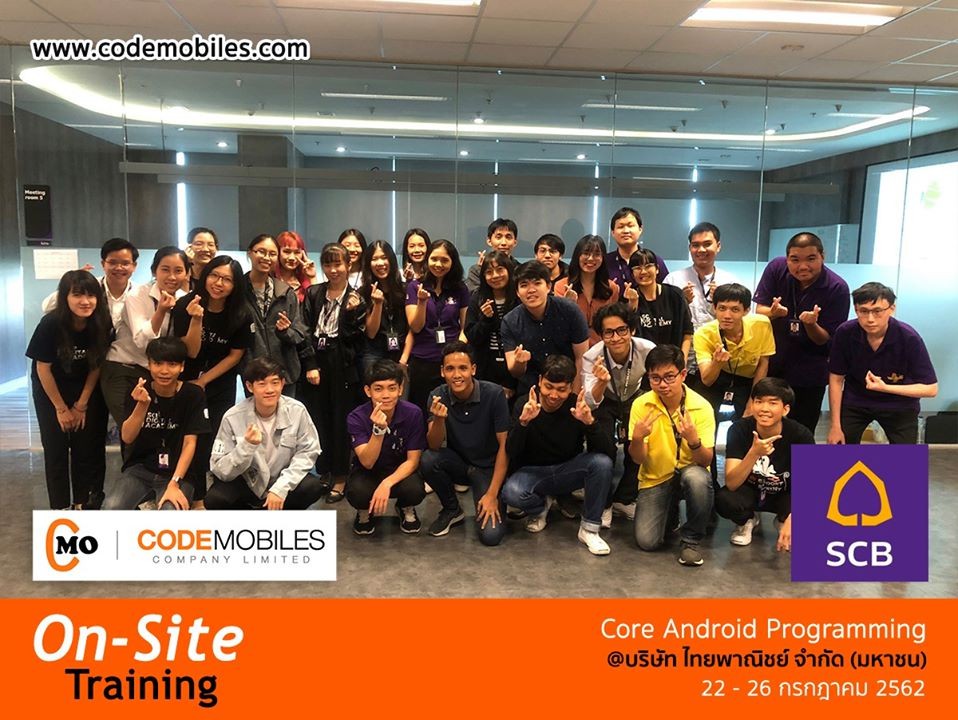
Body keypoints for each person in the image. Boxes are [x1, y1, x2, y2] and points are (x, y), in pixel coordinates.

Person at [501, 355, 616, 555]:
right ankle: (540, 507)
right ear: (539, 381)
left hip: (567, 470)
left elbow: (607, 454)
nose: (554, 395)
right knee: (512, 492)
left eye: (561, 389)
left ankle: (589, 529)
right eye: (548, 387)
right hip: (533, 472)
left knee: (602, 463)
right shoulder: (525, 404)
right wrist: (523, 423)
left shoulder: (576, 405)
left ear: (571, 387)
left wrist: (590, 423)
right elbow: (511, 451)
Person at [27, 270, 111, 510]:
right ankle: (60, 508)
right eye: (77, 295)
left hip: (84, 388)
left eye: (91, 295)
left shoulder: (101, 322)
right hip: (51, 390)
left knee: (85, 448)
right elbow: (43, 369)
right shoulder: (51, 324)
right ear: (65, 297)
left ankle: (81, 504)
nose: (85, 301)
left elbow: (96, 366)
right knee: (56, 449)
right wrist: (61, 409)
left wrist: (81, 405)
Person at [172, 256, 251, 506]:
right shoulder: (186, 304)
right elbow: (191, 351)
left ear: (235, 285)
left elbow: (235, 355)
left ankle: (211, 493)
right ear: (205, 276)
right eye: (214, 276)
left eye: (227, 279)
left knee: (214, 436)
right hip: (186, 381)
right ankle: (190, 493)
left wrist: (204, 381)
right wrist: (196, 320)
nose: (219, 283)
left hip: (219, 382)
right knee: (188, 437)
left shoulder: (241, 313)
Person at [754, 231, 850, 434]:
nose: (803, 266)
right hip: (773, 365)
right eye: (795, 260)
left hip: (810, 370)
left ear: (822, 256)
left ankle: (800, 457)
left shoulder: (837, 287)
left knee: (802, 431)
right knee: (766, 427)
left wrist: (811, 324)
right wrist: (772, 313)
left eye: (811, 259)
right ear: (787, 258)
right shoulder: (776, 268)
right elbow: (759, 310)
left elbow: (825, 339)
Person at [629, 345, 715, 566]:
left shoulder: (702, 407)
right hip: (656, 478)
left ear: (683, 374)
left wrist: (693, 441)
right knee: (647, 542)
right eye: (655, 378)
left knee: (698, 479)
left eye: (669, 377)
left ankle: (691, 541)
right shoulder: (641, 405)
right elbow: (638, 459)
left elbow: (706, 461)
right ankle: (671, 514)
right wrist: (637, 438)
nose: (662, 384)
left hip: (689, 472)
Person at [41, 238, 139, 429]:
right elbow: (47, 307)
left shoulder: (139, 293)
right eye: (112, 262)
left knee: (126, 421)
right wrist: (73, 283)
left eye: (125, 263)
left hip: (120, 364)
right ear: (103, 264)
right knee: (94, 423)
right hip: (90, 365)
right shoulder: (91, 288)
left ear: (134, 266)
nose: (119, 268)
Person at [103, 337, 209, 510]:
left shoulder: (193, 394)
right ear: (149, 364)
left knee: (170, 511)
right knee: (111, 507)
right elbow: (127, 437)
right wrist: (142, 405)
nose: (164, 371)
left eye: (172, 364)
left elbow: (190, 443)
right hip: (142, 468)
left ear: (182, 366)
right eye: (158, 364)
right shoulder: (138, 391)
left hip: (178, 473)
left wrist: (175, 483)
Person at [421, 341, 510, 546]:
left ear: (473, 369)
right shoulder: (437, 395)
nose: (457, 375)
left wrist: (492, 494)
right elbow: (434, 445)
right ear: (442, 371)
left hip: (488, 468)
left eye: (463, 368)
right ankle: (452, 509)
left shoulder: (494, 394)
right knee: (428, 460)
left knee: (491, 536)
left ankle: (490, 497)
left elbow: (504, 447)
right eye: (450, 369)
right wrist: (439, 420)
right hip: (460, 464)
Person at [207, 357, 325, 510]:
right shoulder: (232, 417)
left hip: (282, 480)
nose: (269, 390)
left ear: (282, 383)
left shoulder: (297, 410)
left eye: (275, 383)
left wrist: (281, 487)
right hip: (247, 483)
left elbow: (309, 451)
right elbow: (219, 468)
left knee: (312, 486)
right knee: (215, 499)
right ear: (249, 387)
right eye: (262, 384)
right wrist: (245, 447)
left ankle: (281, 513)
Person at [827, 282, 937, 445]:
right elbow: (836, 379)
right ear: (856, 310)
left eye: (877, 311)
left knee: (906, 456)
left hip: (899, 403)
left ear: (892, 309)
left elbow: (931, 389)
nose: (870, 319)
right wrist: (835, 426)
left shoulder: (909, 337)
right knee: (837, 445)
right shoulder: (845, 332)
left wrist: (885, 387)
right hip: (857, 400)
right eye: (863, 311)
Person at [300, 243, 367, 503]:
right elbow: (305, 330)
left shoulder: (357, 298)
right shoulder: (314, 293)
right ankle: (325, 470)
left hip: (342, 363)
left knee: (341, 420)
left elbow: (356, 340)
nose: (333, 269)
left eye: (338, 264)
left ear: (348, 265)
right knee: (318, 418)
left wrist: (350, 314)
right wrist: (310, 364)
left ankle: (341, 476)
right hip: (316, 360)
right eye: (327, 264)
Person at [717, 378, 814, 552]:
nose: (764, 409)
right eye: (759, 401)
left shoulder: (801, 435)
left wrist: (794, 518)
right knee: (724, 499)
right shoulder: (738, 430)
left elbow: (810, 486)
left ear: (785, 409)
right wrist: (754, 453)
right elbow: (731, 483)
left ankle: (783, 520)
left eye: (772, 403)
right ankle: (747, 521)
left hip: (783, 494)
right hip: (749, 492)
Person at [581, 303, 656, 523]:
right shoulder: (591, 357)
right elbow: (590, 402)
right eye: (608, 332)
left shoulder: (648, 350)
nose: (616, 338)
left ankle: (624, 499)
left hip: (634, 396)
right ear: (601, 334)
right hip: (605, 399)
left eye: (622, 330)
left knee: (639, 443)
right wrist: (600, 382)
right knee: (602, 446)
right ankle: (603, 503)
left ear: (632, 329)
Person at [111, 246, 190, 431]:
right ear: (154, 271)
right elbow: (142, 342)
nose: (172, 277)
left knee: (155, 428)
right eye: (165, 270)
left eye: (178, 271)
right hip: (124, 369)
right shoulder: (136, 296)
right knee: (131, 429)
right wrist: (161, 311)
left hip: (156, 371)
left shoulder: (185, 300)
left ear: (187, 274)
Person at [346, 360, 427, 535]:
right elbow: (367, 462)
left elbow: (413, 461)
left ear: (400, 389)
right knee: (357, 493)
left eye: (392, 388)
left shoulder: (413, 413)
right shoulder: (356, 417)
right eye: (378, 389)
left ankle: (405, 506)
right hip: (368, 472)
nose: (386, 395)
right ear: (368, 391)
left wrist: (387, 483)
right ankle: (364, 510)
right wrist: (378, 431)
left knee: (414, 490)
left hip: (400, 471)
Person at [663, 222, 743, 384]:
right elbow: (664, 319)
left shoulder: (730, 281)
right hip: (683, 360)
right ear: (689, 248)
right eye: (695, 245)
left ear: (718, 246)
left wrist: (722, 303)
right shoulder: (673, 280)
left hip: (719, 360)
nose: (701, 250)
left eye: (707, 244)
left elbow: (741, 320)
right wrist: (681, 303)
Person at [501, 260, 590, 398]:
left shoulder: (570, 310)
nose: (531, 290)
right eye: (524, 285)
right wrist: (519, 362)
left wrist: (574, 396)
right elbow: (515, 372)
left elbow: (581, 357)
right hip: (531, 391)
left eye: (537, 283)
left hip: (566, 387)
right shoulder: (510, 321)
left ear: (548, 286)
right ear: (517, 292)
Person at [402, 239, 470, 412]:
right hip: (422, 360)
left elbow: (466, 326)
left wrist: (456, 352)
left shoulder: (460, 288)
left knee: (451, 411)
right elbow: (415, 327)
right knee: (423, 410)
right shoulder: (415, 286)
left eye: (444, 260)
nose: (438, 264)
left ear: (453, 262)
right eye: (434, 259)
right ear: (427, 259)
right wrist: (422, 302)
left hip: (451, 361)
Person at [693, 283, 775, 422]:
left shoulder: (761, 324)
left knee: (748, 421)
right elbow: (707, 380)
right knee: (703, 417)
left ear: (746, 310)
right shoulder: (703, 334)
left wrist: (752, 403)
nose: (727, 315)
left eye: (735, 309)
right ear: (714, 308)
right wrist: (716, 363)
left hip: (747, 380)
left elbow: (763, 365)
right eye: (722, 308)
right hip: (718, 375)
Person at [241, 234, 308, 391]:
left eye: (272, 254)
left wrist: (285, 332)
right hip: (253, 374)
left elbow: (299, 334)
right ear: (250, 253)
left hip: (285, 373)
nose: (266, 257)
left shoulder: (286, 292)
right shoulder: (238, 290)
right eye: (261, 251)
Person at [464, 250, 518, 401]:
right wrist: (486, 320)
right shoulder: (478, 297)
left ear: (509, 270)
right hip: (484, 366)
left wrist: (510, 382)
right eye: (489, 272)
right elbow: (472, 336)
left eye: (500, 269)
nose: (495, 276)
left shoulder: (518, 298)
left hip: (512, 366)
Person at [553, 234, 621, 346]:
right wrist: (568, 305)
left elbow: (613, 321)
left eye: (597, 254)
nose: (590, 258)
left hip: (602, 347)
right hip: (572, 346)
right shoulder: (562, 286)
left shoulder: (611, 287)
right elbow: (559, 324)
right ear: (577, 256)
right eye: (586, 253)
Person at [628, 248, 693, 359]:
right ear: (632, 274)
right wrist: (632, 305)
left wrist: (683, 361)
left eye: (648, 266)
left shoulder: (675, 294)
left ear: (657, 269)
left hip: (674, 362)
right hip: (642, 363)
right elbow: (628, 334)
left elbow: (687, 331)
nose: (643, 271)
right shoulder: (628, 298)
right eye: (638, 268)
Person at [359, 240, 409, 374]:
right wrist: (378, 304)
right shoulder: (363, 292)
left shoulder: (404, 289)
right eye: (374, 259)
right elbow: (371, 333)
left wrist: (404, 359)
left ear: (391, 260)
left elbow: (412, 329)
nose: (380, 263)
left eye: (384, 257)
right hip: (374, 352)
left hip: (402, 351)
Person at [605, 207, 668, 296]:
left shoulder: (655, 261)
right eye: (620, 227)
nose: (626, 231)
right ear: (613, 232)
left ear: (640, 229)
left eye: (630, 226)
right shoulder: (605, 262)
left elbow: (667, 295)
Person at [465, 218, 518, 292]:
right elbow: (474, 295)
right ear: (489, 241)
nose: (503, 243)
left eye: (508, 237)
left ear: (515, 242)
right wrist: (482, 270)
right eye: (498, 237)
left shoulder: (520, 269)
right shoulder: (476, 270)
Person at [274, 229, 318, 303]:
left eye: (297, 252)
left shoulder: (304, 282)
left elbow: (317, 304)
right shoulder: (270, 281)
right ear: (277, 252)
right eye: (287, 252)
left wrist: (312, 277)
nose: (292, 258)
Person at [185, 227, 218, 291]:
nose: (205, 249)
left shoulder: (220, 275)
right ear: (189, 247)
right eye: (199, 244)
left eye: (211, 245)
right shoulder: (181, 274)